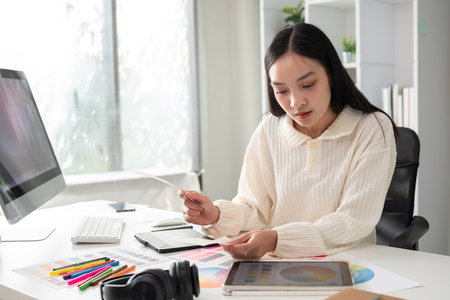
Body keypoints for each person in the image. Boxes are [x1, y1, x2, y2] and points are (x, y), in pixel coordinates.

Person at [179, 23, 397, 260]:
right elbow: (256, 208)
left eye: (307, 85)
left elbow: (352, 221)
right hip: (278, 264)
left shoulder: (371, 128)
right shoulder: (269, 129)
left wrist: (276, 239)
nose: (295, 102)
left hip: (353, 264)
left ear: (332, 75)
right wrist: (217, 215)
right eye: (281, 91)